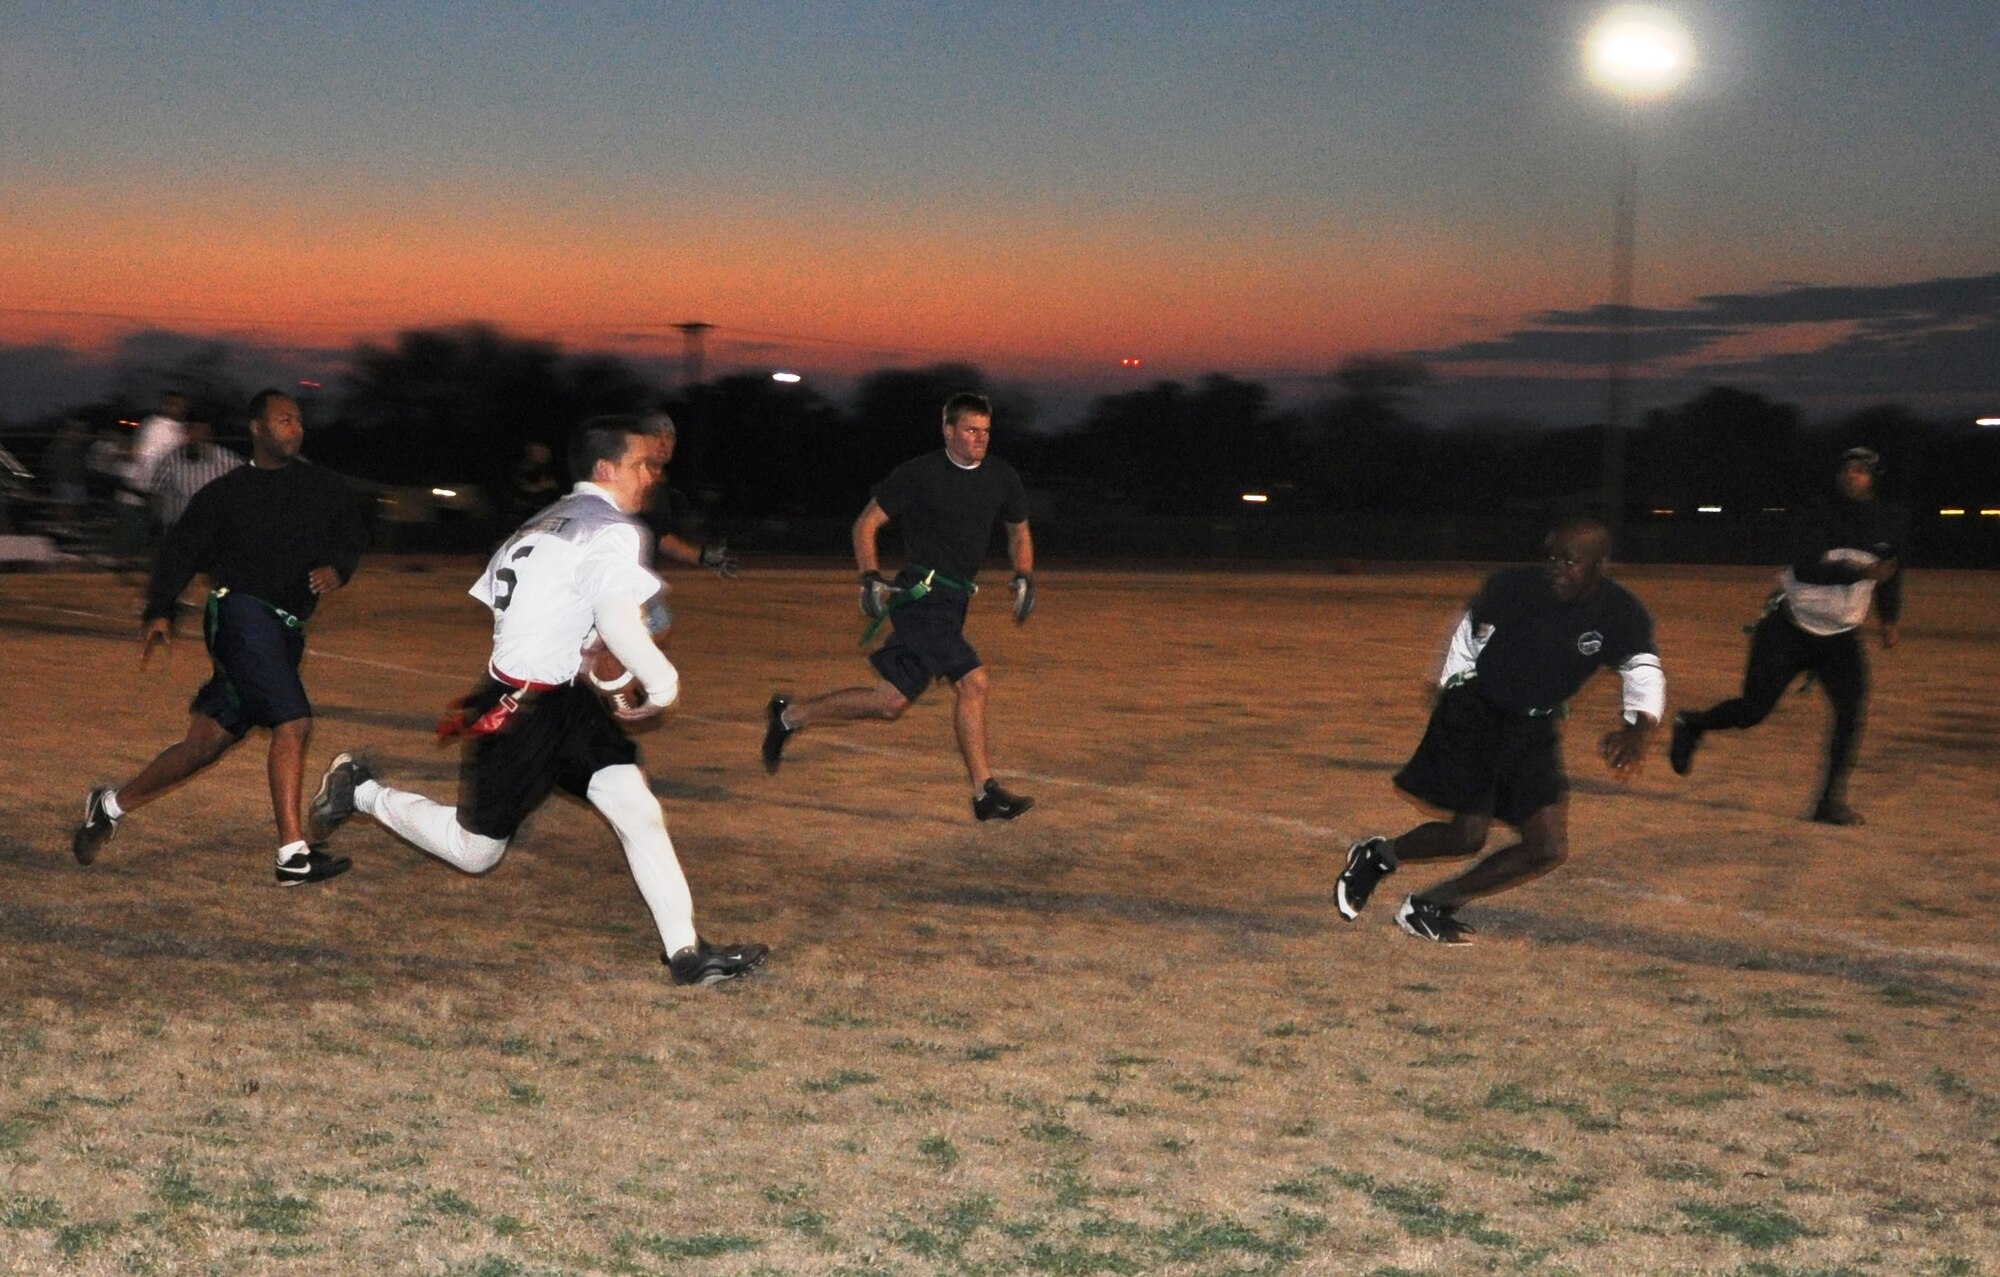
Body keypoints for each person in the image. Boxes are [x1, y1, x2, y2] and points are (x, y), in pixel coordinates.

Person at [305, 414, 766, 985]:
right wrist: (663, 686)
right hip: (521, 709)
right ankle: (361, 790)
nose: (652, 475)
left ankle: (686, 954)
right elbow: (617, 621)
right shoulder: (613, 529)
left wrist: (598, 667)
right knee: (475, 852)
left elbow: (551, 617)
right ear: (606, 468)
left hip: (558, 697)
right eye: (642, 464)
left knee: (637, 809)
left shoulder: (541, 523)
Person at [72, 389, 369, 884]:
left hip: (284, 631)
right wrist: (159, 608)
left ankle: (109, 806)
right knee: (293, 722)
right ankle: (292, 855)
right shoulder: (225, 493)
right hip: (239, 615)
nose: (295, 428)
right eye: (284, 419)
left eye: (298, 420)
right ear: (257, 428)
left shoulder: (321, 486)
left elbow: (353, 533)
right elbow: (180, 549)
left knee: (205, 743)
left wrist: (339, 567)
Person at [1334, 518, 1664, 944]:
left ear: (1601, 565)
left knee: (1546, 849)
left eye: (1570, 562)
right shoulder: (1513, 586)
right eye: (1553, 558)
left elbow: (1643, 670)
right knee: (1466, 836)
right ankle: (1378, 856)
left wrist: (1639, 727)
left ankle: (1430, 905)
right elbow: (1468, 632)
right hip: (1479, 713)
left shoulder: (1620, 612)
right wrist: (1451, 685)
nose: (1557, 569)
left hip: (1534, 727)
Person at [761, 391, 1037, 821]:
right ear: (948, 430)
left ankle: (789, 717)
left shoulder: (1002, 476)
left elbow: (1018, 531)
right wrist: (869, 576)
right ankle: (985, 793)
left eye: (985, 431)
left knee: (888, 703)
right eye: (970, 430)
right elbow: (866, 524)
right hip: (922, 598)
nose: (980, 438)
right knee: (974, 683)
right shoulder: (919, 474)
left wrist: (1024, 574)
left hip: (954, 602)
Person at [1668, 447, 1906, 825]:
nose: (1851, 475)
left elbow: (1890, 573)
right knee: (1753, 711)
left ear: (1875, 478)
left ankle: (1828, 802)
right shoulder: (1819, 512)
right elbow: (1808, 568)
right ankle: (1693, 724)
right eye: (1847, 468)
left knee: (1850, 713)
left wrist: (1889, 617)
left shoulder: (1886, 522)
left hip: (1840, 636)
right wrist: (1862, 573)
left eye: (1861, 470)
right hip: (1789, 629)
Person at [639, 414, 737, 579]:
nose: (663, 443)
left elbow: (658, 536)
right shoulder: (630, 481)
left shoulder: (660, 482)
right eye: (655, 436)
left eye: (669, 437)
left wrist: (702, 556)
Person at [116, 391, 187, 555]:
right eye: (171, 404)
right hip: (139, 488)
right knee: (132, 532)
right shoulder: (153, 425)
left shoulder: (182, 431)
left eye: (179, 405)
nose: (175, 408)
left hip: (161, 491)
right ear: (165, 405)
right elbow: (142, 456)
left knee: (155, 533)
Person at [151, 420, 245, 530]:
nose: (194, 437)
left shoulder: (226, 461)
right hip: (179, 530)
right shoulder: (172, 460)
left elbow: (245, 483)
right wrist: (157, 524)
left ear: (208, 435)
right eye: (191, 432)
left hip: (212, 531)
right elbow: (156, 493)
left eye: (200, 432)